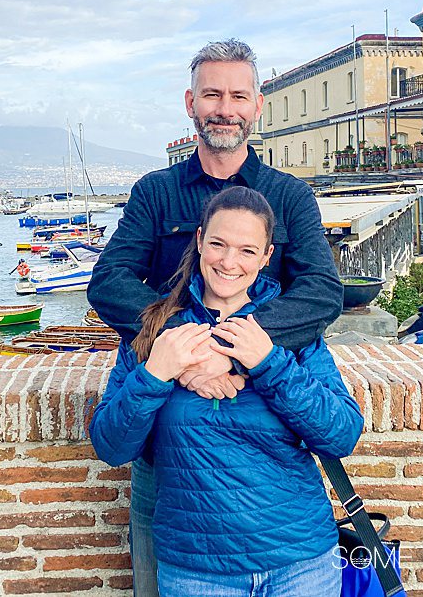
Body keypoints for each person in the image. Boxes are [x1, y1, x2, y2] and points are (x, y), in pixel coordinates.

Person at [87, 39, 343, 595]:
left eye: (237, 95)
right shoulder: (155, 193)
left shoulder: (290, 197)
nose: (224, 107)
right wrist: (181, 346)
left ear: (257, 106)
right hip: (168, 446)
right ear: (190, 103)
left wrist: (236, 349)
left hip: (270, 451)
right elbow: (107, 283)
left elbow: (323, 294)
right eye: (212, 94)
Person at [90, 188, 362, 596]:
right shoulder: (156, 328)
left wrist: (268, 362)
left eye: (247, 251)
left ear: (267, 257)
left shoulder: (290, 331)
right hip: (196, 569)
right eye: (218, 244)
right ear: (199, 240)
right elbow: (112, 446)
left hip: (299, 562)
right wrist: (157, 373)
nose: (229, 262)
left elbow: (341, 433)